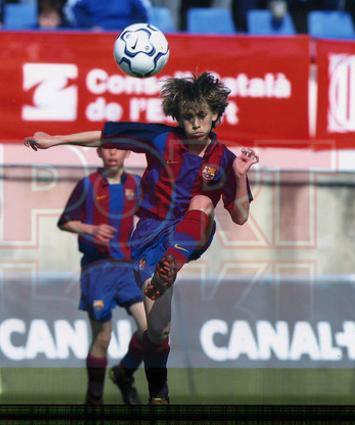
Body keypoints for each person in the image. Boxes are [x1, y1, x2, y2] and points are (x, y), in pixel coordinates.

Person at [25, 72, 259, 404]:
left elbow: (240, 215)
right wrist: (56, 140)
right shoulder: (161, 139)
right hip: (150, 235)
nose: (194, 123)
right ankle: (145, 384)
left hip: (191, 234)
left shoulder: (226, 161)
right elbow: (106, 137)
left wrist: (238, 177)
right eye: (188, 117)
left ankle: (171, 267)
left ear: (216, 116)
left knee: (203, 202)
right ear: (178, 117)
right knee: (157, 331)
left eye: (201, 116)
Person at [58, 146, 147, 405]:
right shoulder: (88, 185)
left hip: (128, 268)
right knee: (103, 337)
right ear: (98, 152)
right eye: (107, 148)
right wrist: (90, 229)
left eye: (118, 149)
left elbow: (152, 215)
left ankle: (124, 373)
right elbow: (65, 221)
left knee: (150, 330)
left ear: (128, 154)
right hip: (97, 269)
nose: (112, 153)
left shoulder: (135, 184)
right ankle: (94, 399)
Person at [63, 0, 150, 31]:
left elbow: (143, 14)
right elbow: (74, 10)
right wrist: (90, 27)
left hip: (125, 36)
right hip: (95, 36)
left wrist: (129, 29)